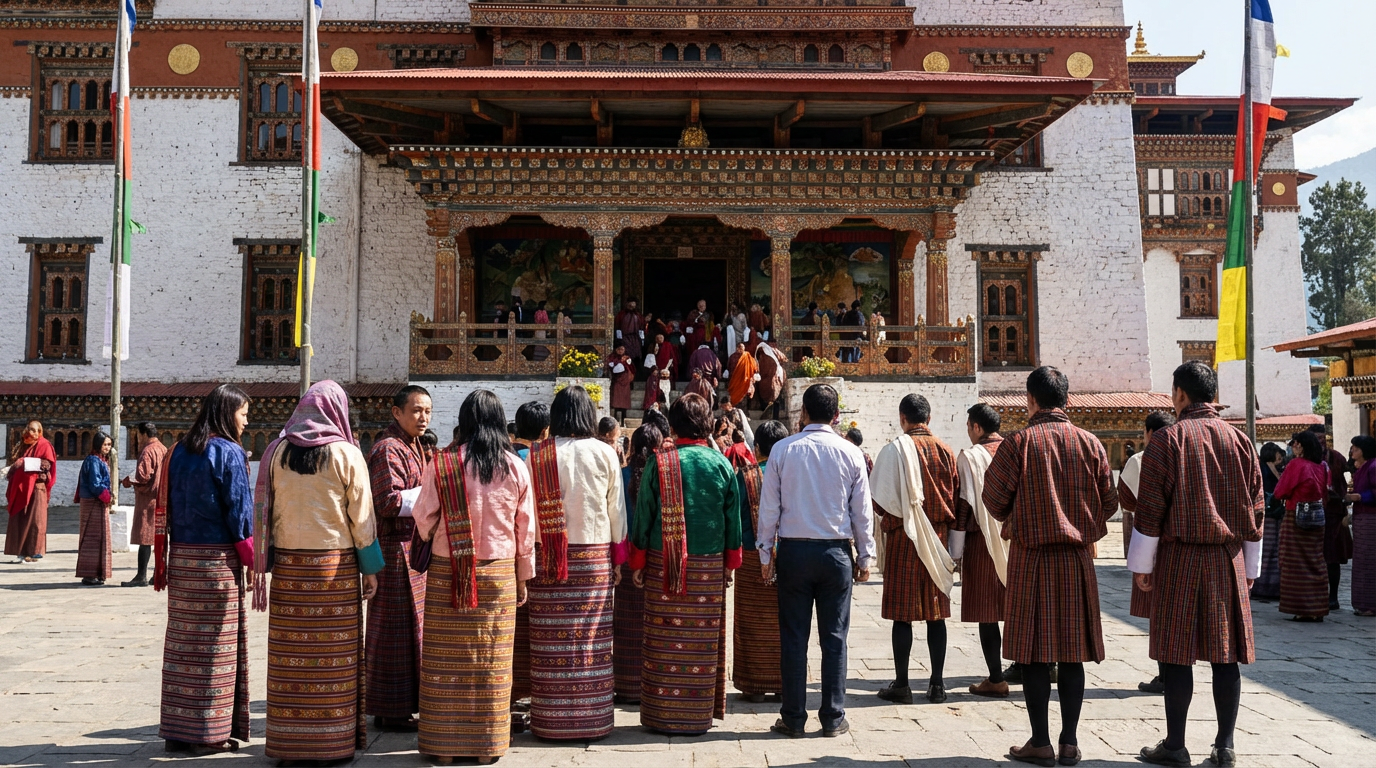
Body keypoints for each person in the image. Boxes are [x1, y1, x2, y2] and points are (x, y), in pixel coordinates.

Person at [1129, 362, 1264, 768]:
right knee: (1226, 655)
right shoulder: (1241, 442)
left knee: (1175, 653)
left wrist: (1142, 565)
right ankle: (1225, 746)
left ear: (1180, 395)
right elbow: (1256, 510)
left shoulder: (1168, 440)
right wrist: (1251, 569)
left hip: (1181, 557)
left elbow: (1150, 509)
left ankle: (1176, 744)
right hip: (1227, 557)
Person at [982, 366, 1116, 767]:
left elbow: (993, 501)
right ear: (1067, 400)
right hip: (1076, 559)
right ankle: (1070, 742)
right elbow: (1109, 504)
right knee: (1071, 653)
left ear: (1031, 401)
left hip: (1032, 558)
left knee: (1036, 652)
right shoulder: (1090, 443)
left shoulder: (1017, 443)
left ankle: (1040, 741)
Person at [252, 380, 383, 762]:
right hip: (334, 569)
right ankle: (331, 743)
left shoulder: (276, 452)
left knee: (288, 657)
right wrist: (370, 568)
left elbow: (265, 508)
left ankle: (288, 743)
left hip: (291, 572)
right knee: (334, 657)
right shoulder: (347, 453)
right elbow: (362, 518)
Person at [411, 389, 535, 764]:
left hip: (451, 572)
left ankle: (444, 746)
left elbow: (423, 518)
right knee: (491, 659)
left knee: (445, 660)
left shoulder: (443, 463)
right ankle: (486, 745)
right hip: (498, 574)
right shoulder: (515, 466)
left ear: (463, 421)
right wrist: (523, 576)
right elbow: (525, 529)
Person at [757, 383, 874, 739]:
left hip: (794, 551)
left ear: (803, 413)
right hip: (836, 553)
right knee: (834, 637)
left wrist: (766, 553)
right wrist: (866, 556)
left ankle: (793, 717)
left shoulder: (782, 450)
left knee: (793, 637)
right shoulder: (850, 453)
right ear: (836, 414)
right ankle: (833, 716)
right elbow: (862, 512)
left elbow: (769, 508)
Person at [630, 392, 741, 736]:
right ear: (707, 423)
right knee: (701, 640)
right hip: (707, 567)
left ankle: (662, 713)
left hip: (664, 563)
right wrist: (730, 562)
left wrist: (637, 560)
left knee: (663, 637)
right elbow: (732, 520)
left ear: (673, 425)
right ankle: (696, 713)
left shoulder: (658, 463)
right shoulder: (720, 463)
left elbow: (644, 515)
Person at [156, 384, 254, 755]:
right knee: (215, 649)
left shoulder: (179, 450)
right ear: (228, 413)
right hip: (216, 564)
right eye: (243, 415)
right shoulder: (227, 452)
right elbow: (238, 511)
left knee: (183, 647)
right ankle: (206, 734)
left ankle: (178, 731)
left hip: (182, 562)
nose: (246, 422)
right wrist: (251, 556)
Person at [525, 386, 627, 740]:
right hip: (593, 556)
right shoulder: (604, 452)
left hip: (547, 556)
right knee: (592, 637)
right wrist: (618, 557)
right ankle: (592, 717)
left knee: (548, 638)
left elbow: (526, 514)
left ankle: (551, 719)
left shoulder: (535, 455)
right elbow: (616, 510)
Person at [871, 394, 959, 705]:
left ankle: (903, 684)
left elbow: (878, 501)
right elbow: (958, 500)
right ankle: (937, 684)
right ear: (929, 418)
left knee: (902, 616)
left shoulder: (894, 450)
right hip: (937, 539)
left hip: (903, 538)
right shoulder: (947, 452)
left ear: (903, 418)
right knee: (936, 615)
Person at [365, 384, 433, 731]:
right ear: (397, 412)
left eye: (428, 412)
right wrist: (432, 496)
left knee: (413, 633)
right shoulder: (387, 449)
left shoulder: (416, 447)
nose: (423, 418)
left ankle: (404, 705)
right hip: (394, 552)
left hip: (414, 550)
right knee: (393, 633)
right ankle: (389, 710)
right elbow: (388, 502)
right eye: (417, 411)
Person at [1116, 410, 1177, 695]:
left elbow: (1126, 499)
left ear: (1149, 433)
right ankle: (1175, 674)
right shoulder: (1186, 454)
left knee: (1158, 612)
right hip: (1183, 542)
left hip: (1151, 541)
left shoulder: (1140, 460)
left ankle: (1165, 675)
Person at [953, 404, 1010, 698]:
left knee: (988, 611)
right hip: (1015, 536)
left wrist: (956, 550)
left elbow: (964, 503)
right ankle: (1029, 665)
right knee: (1018, 607)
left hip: (982, 539)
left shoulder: (971, 457)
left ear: (976, 427)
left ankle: (996, 677)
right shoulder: (1016, 449)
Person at [733, 420, 789, 703]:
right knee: (785, 622)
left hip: (750, 555)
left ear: (757, 449)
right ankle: (782, 682)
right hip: (787, 556)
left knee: (751, 622)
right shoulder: (793, 473)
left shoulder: (745, 476)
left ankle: (754, 685)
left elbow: (733, 517)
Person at [614, 422, 663, 704]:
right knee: (652, 624)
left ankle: (626, 685)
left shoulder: (622, 475)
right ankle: (651, 684)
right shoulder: (663, 477)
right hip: (653, 557)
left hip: (628, 556)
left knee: (625, 625)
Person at [1274, 430, 1330, 622]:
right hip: (1318, 518)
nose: (1292, 446)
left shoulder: (1296, 464)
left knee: (1295, 563)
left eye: (1295, 443)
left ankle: (1303, 608)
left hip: (1295, 517)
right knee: (1315, 561)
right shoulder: (1322, 466)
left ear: (1301, 446)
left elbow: (1280, 491)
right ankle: (1317, 607)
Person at [117, 422, 167, 587]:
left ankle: (141, 575)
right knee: (159, 537)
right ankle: (158, 574)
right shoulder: (163, 449)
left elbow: (142, 476)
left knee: (145, 538)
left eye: (138, 435)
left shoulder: (148, 451)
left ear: (144, 433)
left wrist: (126, 481)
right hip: (162, 499)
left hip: (148, 500)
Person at [1310, 424, 1353, 611]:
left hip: (1333, 511)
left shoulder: (1335, 457)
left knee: (1332, 557)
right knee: (1316, 556)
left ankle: (1332, 597)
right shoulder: (1306, 458)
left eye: (1322, 438)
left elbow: (1352, 470)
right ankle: (1319, 595)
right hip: (1313, 510)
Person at [4, 420, 55, 563]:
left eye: (33, 430)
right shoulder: (24, 446)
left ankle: (35, 551)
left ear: (40, 432)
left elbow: (46, 465)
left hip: (37, 489)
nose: (30, 432)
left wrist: (24, 462)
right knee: (21, 519)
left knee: (35, 520)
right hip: (23, 488)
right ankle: (21, 551)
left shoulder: (44, 445)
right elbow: (16, 462)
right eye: (28, 429)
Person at [76, 431, 114, 586]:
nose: (107, 448)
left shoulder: (101, 460)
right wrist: (107, 497)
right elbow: (95, 484)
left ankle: (98, 572)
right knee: (91, 538)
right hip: (93, 501)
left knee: (100, 538)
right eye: (105, 444)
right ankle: (89, 573)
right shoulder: (93, 461)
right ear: (98, 445)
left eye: (109, 445)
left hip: (98, 502)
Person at [1251, 442, 1287, 603]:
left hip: (1275, 513)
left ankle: (1272, 586)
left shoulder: (1277, 469)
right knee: (1267, 550)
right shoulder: (1263, 468)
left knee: (1274, 550)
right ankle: (1262, 586)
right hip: (1267, 513)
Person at [1346, 435, 1376, 617]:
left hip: (1371, 520)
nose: (1352, 451)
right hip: (1361, 518)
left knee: (1370, 563)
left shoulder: (1373, 466)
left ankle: (1371, 604)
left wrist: (1359, 497)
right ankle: (1363, 603)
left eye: (1356, 448)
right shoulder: (1362, 468)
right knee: (1361, 563)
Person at [754, 341, 787, 420]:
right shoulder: (773, 353)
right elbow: (784, 359)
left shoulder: (765, 358)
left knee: (769, 399)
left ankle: (768, 415)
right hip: (779, 378)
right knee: (776, 400)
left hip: (769, 381)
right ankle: (775, 417)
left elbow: (763, 371)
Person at [726, 341, 759, 408]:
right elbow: (729, 367)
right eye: (740, 347)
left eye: (743, 347)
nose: (741, 349)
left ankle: (743, 412)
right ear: (737, 348)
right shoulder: (733, 357)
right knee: (736, 396)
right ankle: (735, 410)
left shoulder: (747, 356)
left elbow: (754, 367)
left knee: (743, 396)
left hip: (744, 381)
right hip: (735, 381)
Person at [606, 343, 634, 420]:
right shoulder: (612, 357)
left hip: (625, 381)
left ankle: (623, 417)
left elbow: (632, 368)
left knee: (624, 399)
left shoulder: (627, 358)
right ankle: (615, 416)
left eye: (623, 349)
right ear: (616, 350)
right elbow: (609, 366)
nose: (621, 351)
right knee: (616, 399)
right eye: (619, 349)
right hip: (617, 380)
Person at [616, 297, 645, 363]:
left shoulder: (638, 315)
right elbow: (618, 327)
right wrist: (619, 339)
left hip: (635, 338)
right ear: (627, 305)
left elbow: (641, 327)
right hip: (625, 337)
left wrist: (642, 339)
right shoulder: (621, 315)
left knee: (637, 355)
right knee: (627, 355)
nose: (631, 307)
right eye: (630, 306)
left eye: (633, 306)